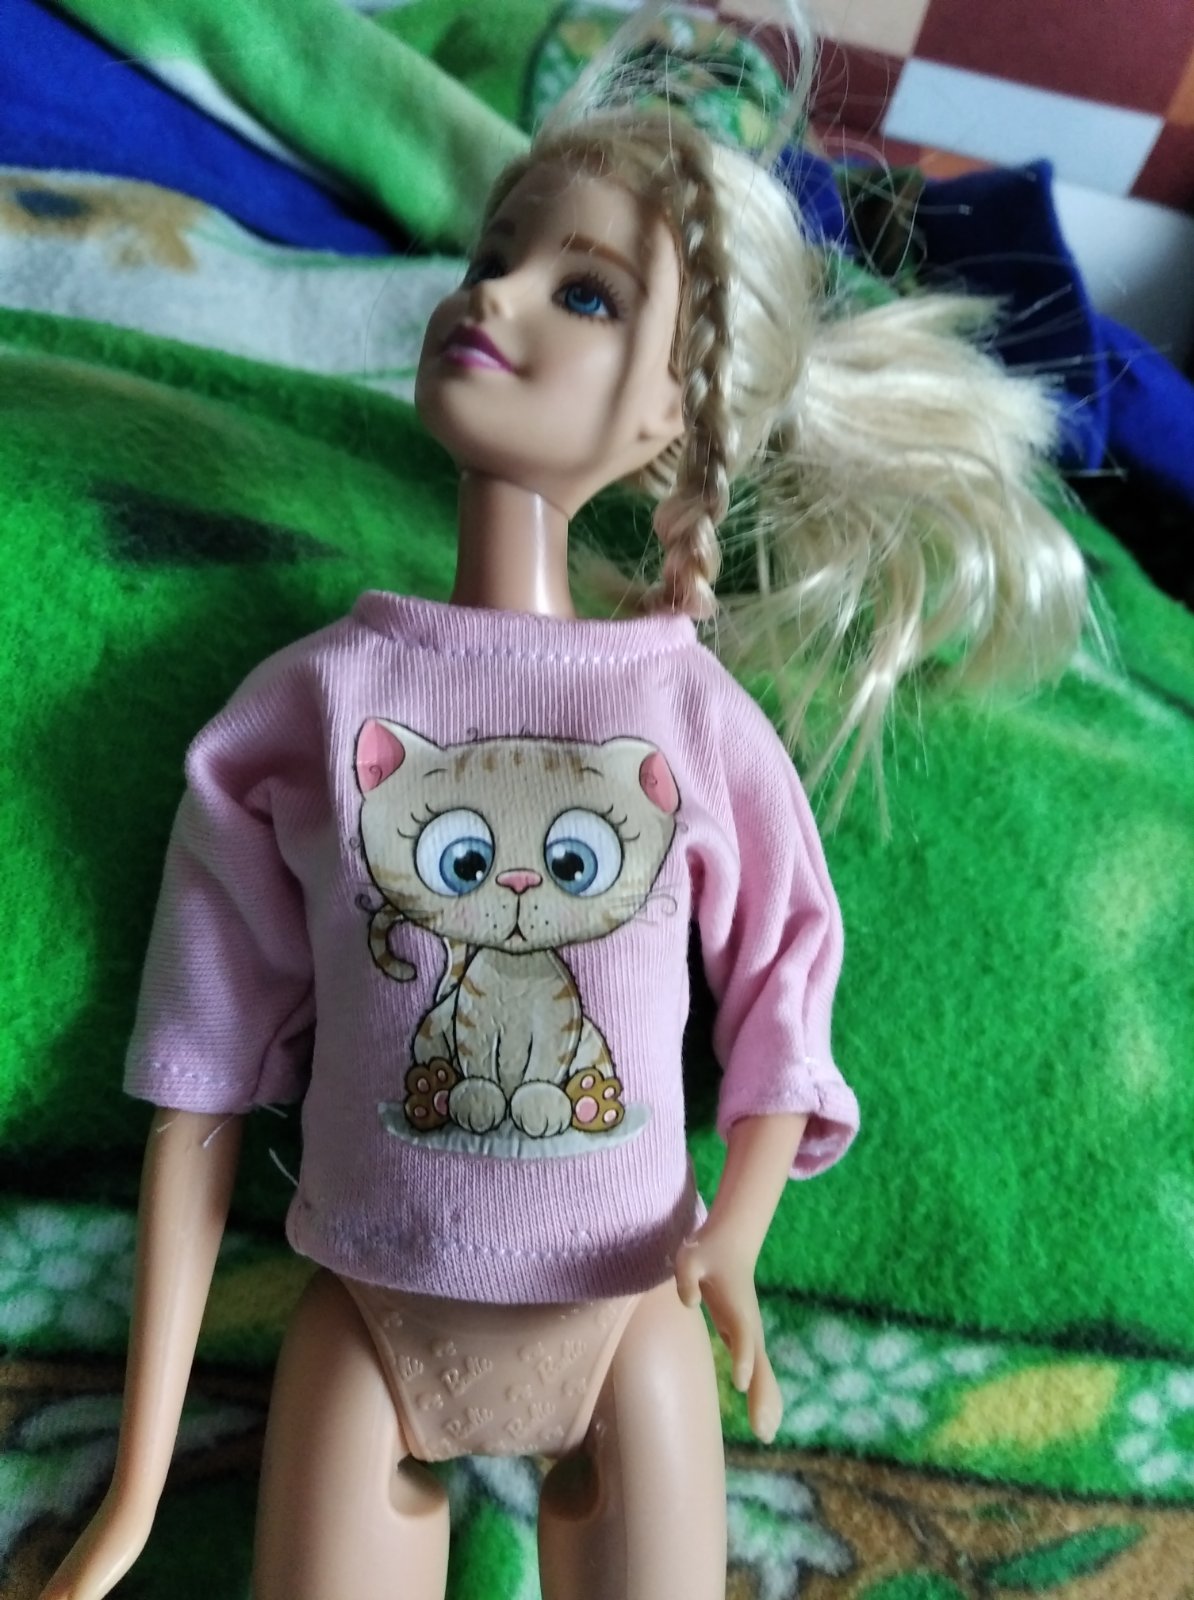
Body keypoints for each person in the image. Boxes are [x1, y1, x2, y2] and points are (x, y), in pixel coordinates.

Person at [41, 12, 1090, 1600]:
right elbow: (197, 1091)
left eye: (584, 292)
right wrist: (132, 1494)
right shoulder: (310, 708)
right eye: (497, 256)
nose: (493, 296)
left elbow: (788, 981)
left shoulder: (686, 714)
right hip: (367, 1318)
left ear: (672, 414)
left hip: (626, 1320)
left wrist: (737, 1237)